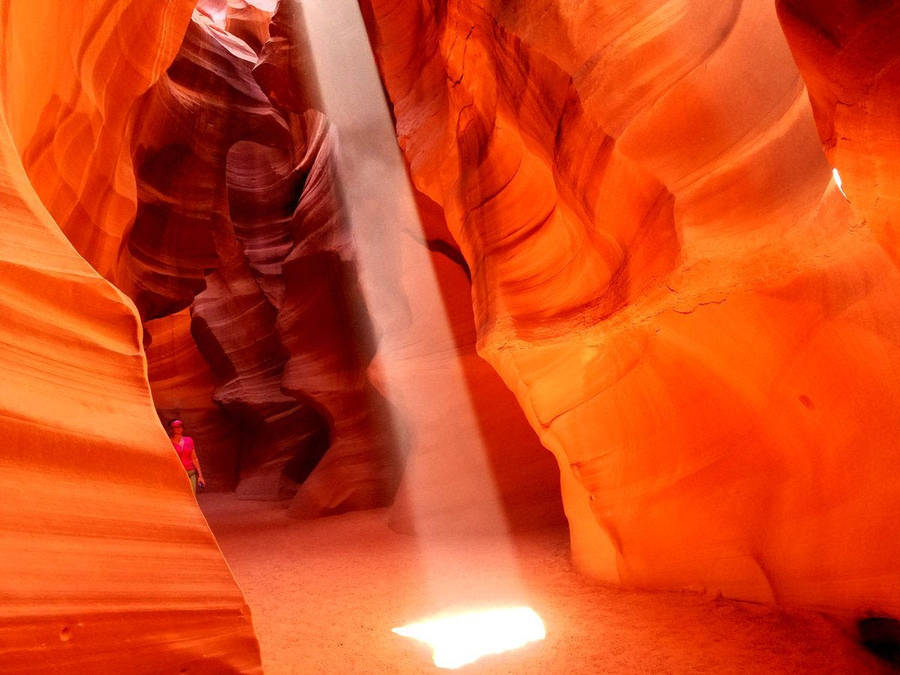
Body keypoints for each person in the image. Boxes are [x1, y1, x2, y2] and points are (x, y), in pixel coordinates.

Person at [169, 419, 206, 493]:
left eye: (180, 426)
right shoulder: (169, 442)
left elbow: (194, 458)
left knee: (192, 495)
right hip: (178, 474)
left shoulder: (189, 440)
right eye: (175, 427)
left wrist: (200, 476)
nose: (178, 428)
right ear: (172, 428)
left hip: (191, 472)